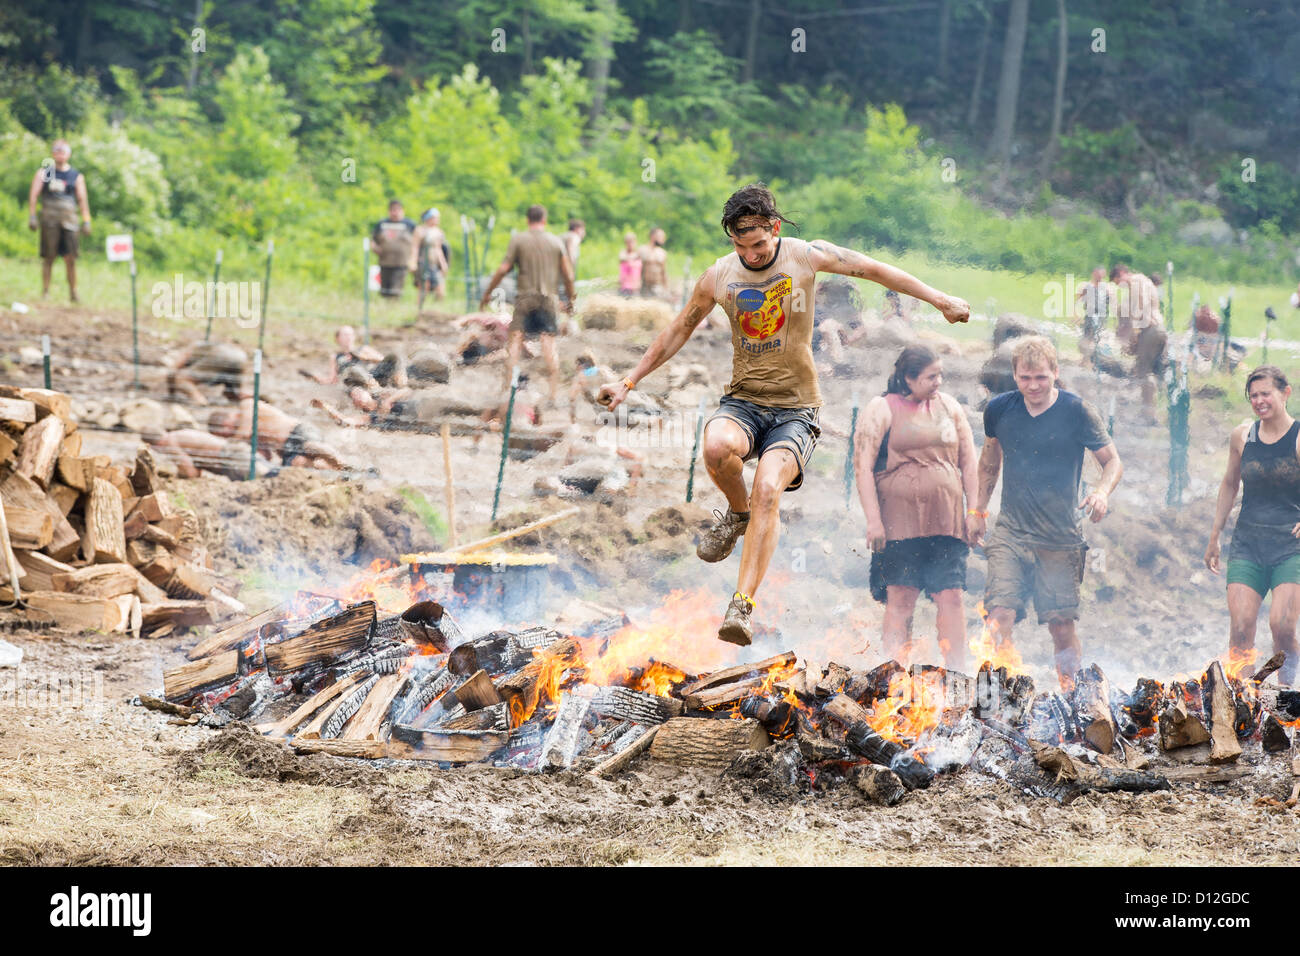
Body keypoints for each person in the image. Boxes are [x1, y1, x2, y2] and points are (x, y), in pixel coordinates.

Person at [599, 183, 970, 645]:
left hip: (795, 410)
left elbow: (875, 270)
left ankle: (741, 606)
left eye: (757, 244)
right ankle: (737, 515)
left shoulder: (807, 256)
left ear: (774, 229)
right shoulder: (719, 276)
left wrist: (940, 300)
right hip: (743, 400)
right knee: (715, 448)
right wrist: (628, 381)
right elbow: (679, 329)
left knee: (769, 488)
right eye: (740, 246)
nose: (751, 255)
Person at [972, 336, 1123, 690]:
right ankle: (993, 700)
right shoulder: (999, 410)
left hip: (1060, 536)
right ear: (1015, 375)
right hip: (1010, 531)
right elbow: (989, 461)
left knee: (1061, 625)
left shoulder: (1076, 411)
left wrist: (1101, 492)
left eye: (1041, 377)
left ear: (1055, 373)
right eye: (1025, 378)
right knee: (999, 615)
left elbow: (1112, 460)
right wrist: (976, 510)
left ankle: (1074, 698)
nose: (1033, 386)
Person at [855, 346, 978, 671]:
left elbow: (969, 461)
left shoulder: (949, 406)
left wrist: (975, 511)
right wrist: (873, 521)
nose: (938, 382)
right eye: (930, 376)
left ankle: (956, 673)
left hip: (947, 521)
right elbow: (863, 467)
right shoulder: (882, 408)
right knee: (900, 596)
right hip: (899, 522)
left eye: (940, 375)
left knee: (951, 595)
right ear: (908, 378)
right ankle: (893, 674)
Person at [1204, 366, 1300, 686]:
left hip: (1290, 545)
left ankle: (1287, 693)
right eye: (1253, 395)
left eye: (1266, 393)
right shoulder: (1242, 436)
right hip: (1248, 543)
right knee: (1242, 627)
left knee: (1282, 626)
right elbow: (1230, 483)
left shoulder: (1298, 438)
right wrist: (1215, 534)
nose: (1259, 400)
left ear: (1285, 393)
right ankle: (1243, 701)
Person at [478, 204, 575, 404]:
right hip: (548, 299)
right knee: (549, 346)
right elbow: (568, 275)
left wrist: (487, 293)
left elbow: (503, 268)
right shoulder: (556, 242)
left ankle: (506, 390)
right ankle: (553, 395)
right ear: (544, 220)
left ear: (527, 220)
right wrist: (571, 299)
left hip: (525, 299)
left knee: (514, 343)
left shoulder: (519, 240)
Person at [28, 139, 91, 302]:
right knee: (49, 257)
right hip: (50, 219)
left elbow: (82, 199)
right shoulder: (45, 173)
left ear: (68, 154)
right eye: (56, 150)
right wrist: (33, 216)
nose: (60, 154)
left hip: (70, 220)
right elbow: (34, 195)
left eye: (63, 151)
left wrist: (86, 220)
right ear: (52, 153)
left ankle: (73, 292)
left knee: (70, 258)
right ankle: (46, 291)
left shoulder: (75, 176)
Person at [209, 400, 347, 471]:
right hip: (286, 451)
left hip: (296, 432)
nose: (227, 437)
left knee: (311, 447)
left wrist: (230, 445)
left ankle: (345, 465)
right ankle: (339, 474)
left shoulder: (246, 406)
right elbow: (266, 456)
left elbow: (244, 431)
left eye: (224, 434)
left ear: (225, 423)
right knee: (298, 465)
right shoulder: (247, 437)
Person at [1110, 263, 1168, 423]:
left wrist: (1134, 332)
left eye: (1117, 281)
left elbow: (1140, 306)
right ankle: (1152, 410)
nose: (1119, 286)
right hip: (1157, 329)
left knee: (1145, 371)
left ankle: (1149, 414)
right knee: (1150, 371)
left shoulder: (1136, 281)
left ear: (1122, 273)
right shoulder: (1143, 282)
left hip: (1150, 329)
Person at [146, 429, 258, 480]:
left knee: (266, 477)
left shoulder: (170, 443)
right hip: (235, 453)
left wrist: (176, 479)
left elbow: (190, 472)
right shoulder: (177, 435)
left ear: (155, 446)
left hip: (234, 459)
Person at [167, 341, 248, 405]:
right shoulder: (207, 346)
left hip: (222, 355)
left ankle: (199, 400)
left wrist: (171, 393)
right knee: (233, 392)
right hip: (241, 356)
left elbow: (172, 371)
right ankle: (249, 401)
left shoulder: (193, 347)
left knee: (181, 378)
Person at [372, 200, 417, 298]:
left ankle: (393, 306)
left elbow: (417, 242)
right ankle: (386, 308)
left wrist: (414, 259)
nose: (395, 213)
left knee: (396, 290)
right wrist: (375, 248)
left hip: (402, 263)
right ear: (389, 211)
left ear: (402, 211)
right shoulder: (382, 224)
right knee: (385, 290)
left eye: (397, 210)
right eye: (393, 210)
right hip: (385, 262)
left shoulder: (410, 225)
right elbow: (373, 240)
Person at [411, 209, 450, 308]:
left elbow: (439, 249)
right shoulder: (420, 230)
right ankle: (419, 309)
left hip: (434, 264)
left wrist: (443, 264)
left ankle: (438, 309)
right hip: (423, 263)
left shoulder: (438, 232)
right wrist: (413, 262)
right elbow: (415, 247)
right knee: (424, 288)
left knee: (440, 289)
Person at [1075, 267, 1111, 368]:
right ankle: (1086, 360)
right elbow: (1078, 299)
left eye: (1102, 275)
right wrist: (1075, 314)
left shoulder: (1107, 288)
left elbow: (1111, 302)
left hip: (1101, 316)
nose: (1100, 277)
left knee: (1096, 338)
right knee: (1087, 337)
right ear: (1094, 274)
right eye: (1098, 274)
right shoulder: (1087, 286)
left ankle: (1092, 360)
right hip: (1090, 315)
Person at [638, 227, 668, 299]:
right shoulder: (642, 250)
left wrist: (666, 288)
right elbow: (636, 268)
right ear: (653, 236)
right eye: (661, 237)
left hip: (657, 287)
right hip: (644, 286)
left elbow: (664, 272)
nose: (663, 239)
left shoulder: (662, 253)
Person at [618, 232, 642, 297]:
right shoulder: (623, 253)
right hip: (626, 286)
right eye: (628, 242)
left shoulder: (638, 254)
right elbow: (623, 259)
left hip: (636, 286)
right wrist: (634, 257)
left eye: (632, 242)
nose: (630, 244)